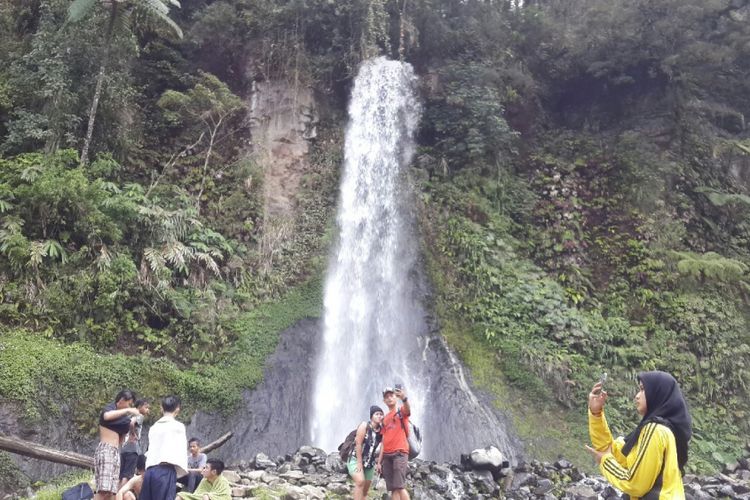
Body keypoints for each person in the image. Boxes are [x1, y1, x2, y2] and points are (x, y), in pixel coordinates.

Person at [585, 371, 692, 500]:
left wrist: (605, 461)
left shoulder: (655, 430)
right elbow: (614, 453)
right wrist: (596, 413)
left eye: (642, 390)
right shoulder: (665, 430)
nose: (636, 396)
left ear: (657, 394)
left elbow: (636, 484)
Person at [95, 390, 141, 500]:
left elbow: (122, 438)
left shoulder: (123, 419)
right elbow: (106, 416)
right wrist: (128, 410)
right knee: (104, 490)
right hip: (106, 449)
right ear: (121, 400)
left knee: (111, 491)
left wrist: (131, 428)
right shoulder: (110, 408)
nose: (130, 406)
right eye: (129, 403)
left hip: (115, 451)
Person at [140, 395, 188, 500]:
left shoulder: (153, 427)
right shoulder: (178, 427)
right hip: (166, 471)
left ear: (161, 408)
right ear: (177, 409)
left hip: (150, 471)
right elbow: (180, 451)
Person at [376, 386, 411, 500]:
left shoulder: (401, 411)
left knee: (400, 486)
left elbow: (408, 410)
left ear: (395, 397)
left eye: (391, 395)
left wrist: (404, 398)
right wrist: (379, 462)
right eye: (387, 397)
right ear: (384, 401)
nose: (389, 398)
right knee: (393, 489)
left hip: (400, 453)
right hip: (387, 456)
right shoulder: (384, 419)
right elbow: (383, 441)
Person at [348, 405, 384, 500]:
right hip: (355, 459)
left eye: (381, 414)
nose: (379, 416)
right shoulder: (364, 426)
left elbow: (383, 446)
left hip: (370, 463)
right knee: (360, 482)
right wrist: (359, 463)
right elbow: (358, 444)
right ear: (371, 416)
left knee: (365, 490)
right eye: (377, 414)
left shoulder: (382, 431)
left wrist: (379, 463)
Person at [120, 399, 151, 488]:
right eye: (146, 407)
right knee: (127, 476)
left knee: (121, 475)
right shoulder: (140, 416)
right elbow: (132, 423)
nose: (147, 410)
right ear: (140, 407)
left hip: (124, 449)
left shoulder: (128, 416)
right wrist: (133, 433)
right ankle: (121, 494)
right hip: (133, 449)